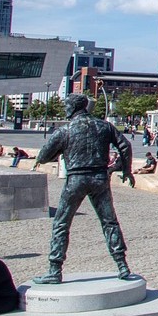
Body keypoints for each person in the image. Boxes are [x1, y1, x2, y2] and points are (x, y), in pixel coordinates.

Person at [32, 93, 135, 284]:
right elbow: (125, 145)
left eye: (66, 106)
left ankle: (55, 269)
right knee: (109, 222)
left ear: (73, 108)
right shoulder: (104, 126)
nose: (65, 109)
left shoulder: (65, 131)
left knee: (61, 223)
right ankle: (122, 265)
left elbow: (43, 156)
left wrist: (61, 151)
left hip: (76, 179)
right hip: (99, 178)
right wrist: (126, 170)